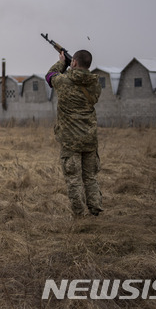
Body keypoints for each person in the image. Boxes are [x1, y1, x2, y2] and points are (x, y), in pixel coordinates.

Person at [46, 49, 102, 218]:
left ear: (74, 62)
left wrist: (62, 62)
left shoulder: (64, 82)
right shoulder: (95, 84)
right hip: (90, 138)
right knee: (90, 177)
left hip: (70, 140)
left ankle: (79, 214)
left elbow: (50, 76)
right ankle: (95, 208)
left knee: (74, 178)